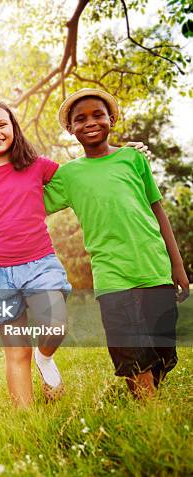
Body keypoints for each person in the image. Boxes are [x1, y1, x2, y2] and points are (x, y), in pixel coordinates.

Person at [44, 88, 189, 398]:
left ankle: (150, 389)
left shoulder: (133, 158)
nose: (90, 122)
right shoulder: (69, 175)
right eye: (80, 119)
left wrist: (177, 265)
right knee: (128, 345)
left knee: (161, 348)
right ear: (71, 129)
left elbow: (157, 210)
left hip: (154, 267)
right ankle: (146, 412)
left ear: (112, 119)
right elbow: (31, 202)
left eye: (98, 115)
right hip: (111, 274)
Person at [0, 101, 71, 407]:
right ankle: (26, 420)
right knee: (17, 350)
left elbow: (78, 179)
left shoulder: (36, 166)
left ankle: (45, 360)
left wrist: (124, 152)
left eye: (2, 124)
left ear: (14, 128)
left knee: (55, 322)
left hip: (39, 263)